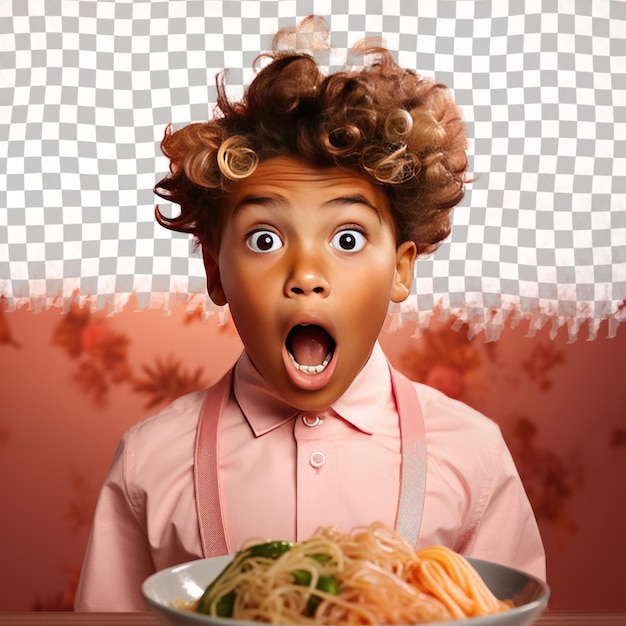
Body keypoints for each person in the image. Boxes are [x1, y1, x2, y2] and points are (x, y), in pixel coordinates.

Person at [74, 17, 545, 612]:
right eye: (265, 240)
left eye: (347, 239)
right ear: (216, 272)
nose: (306, 275)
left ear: (401, 269)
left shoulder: (472, 454)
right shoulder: (151, 461)